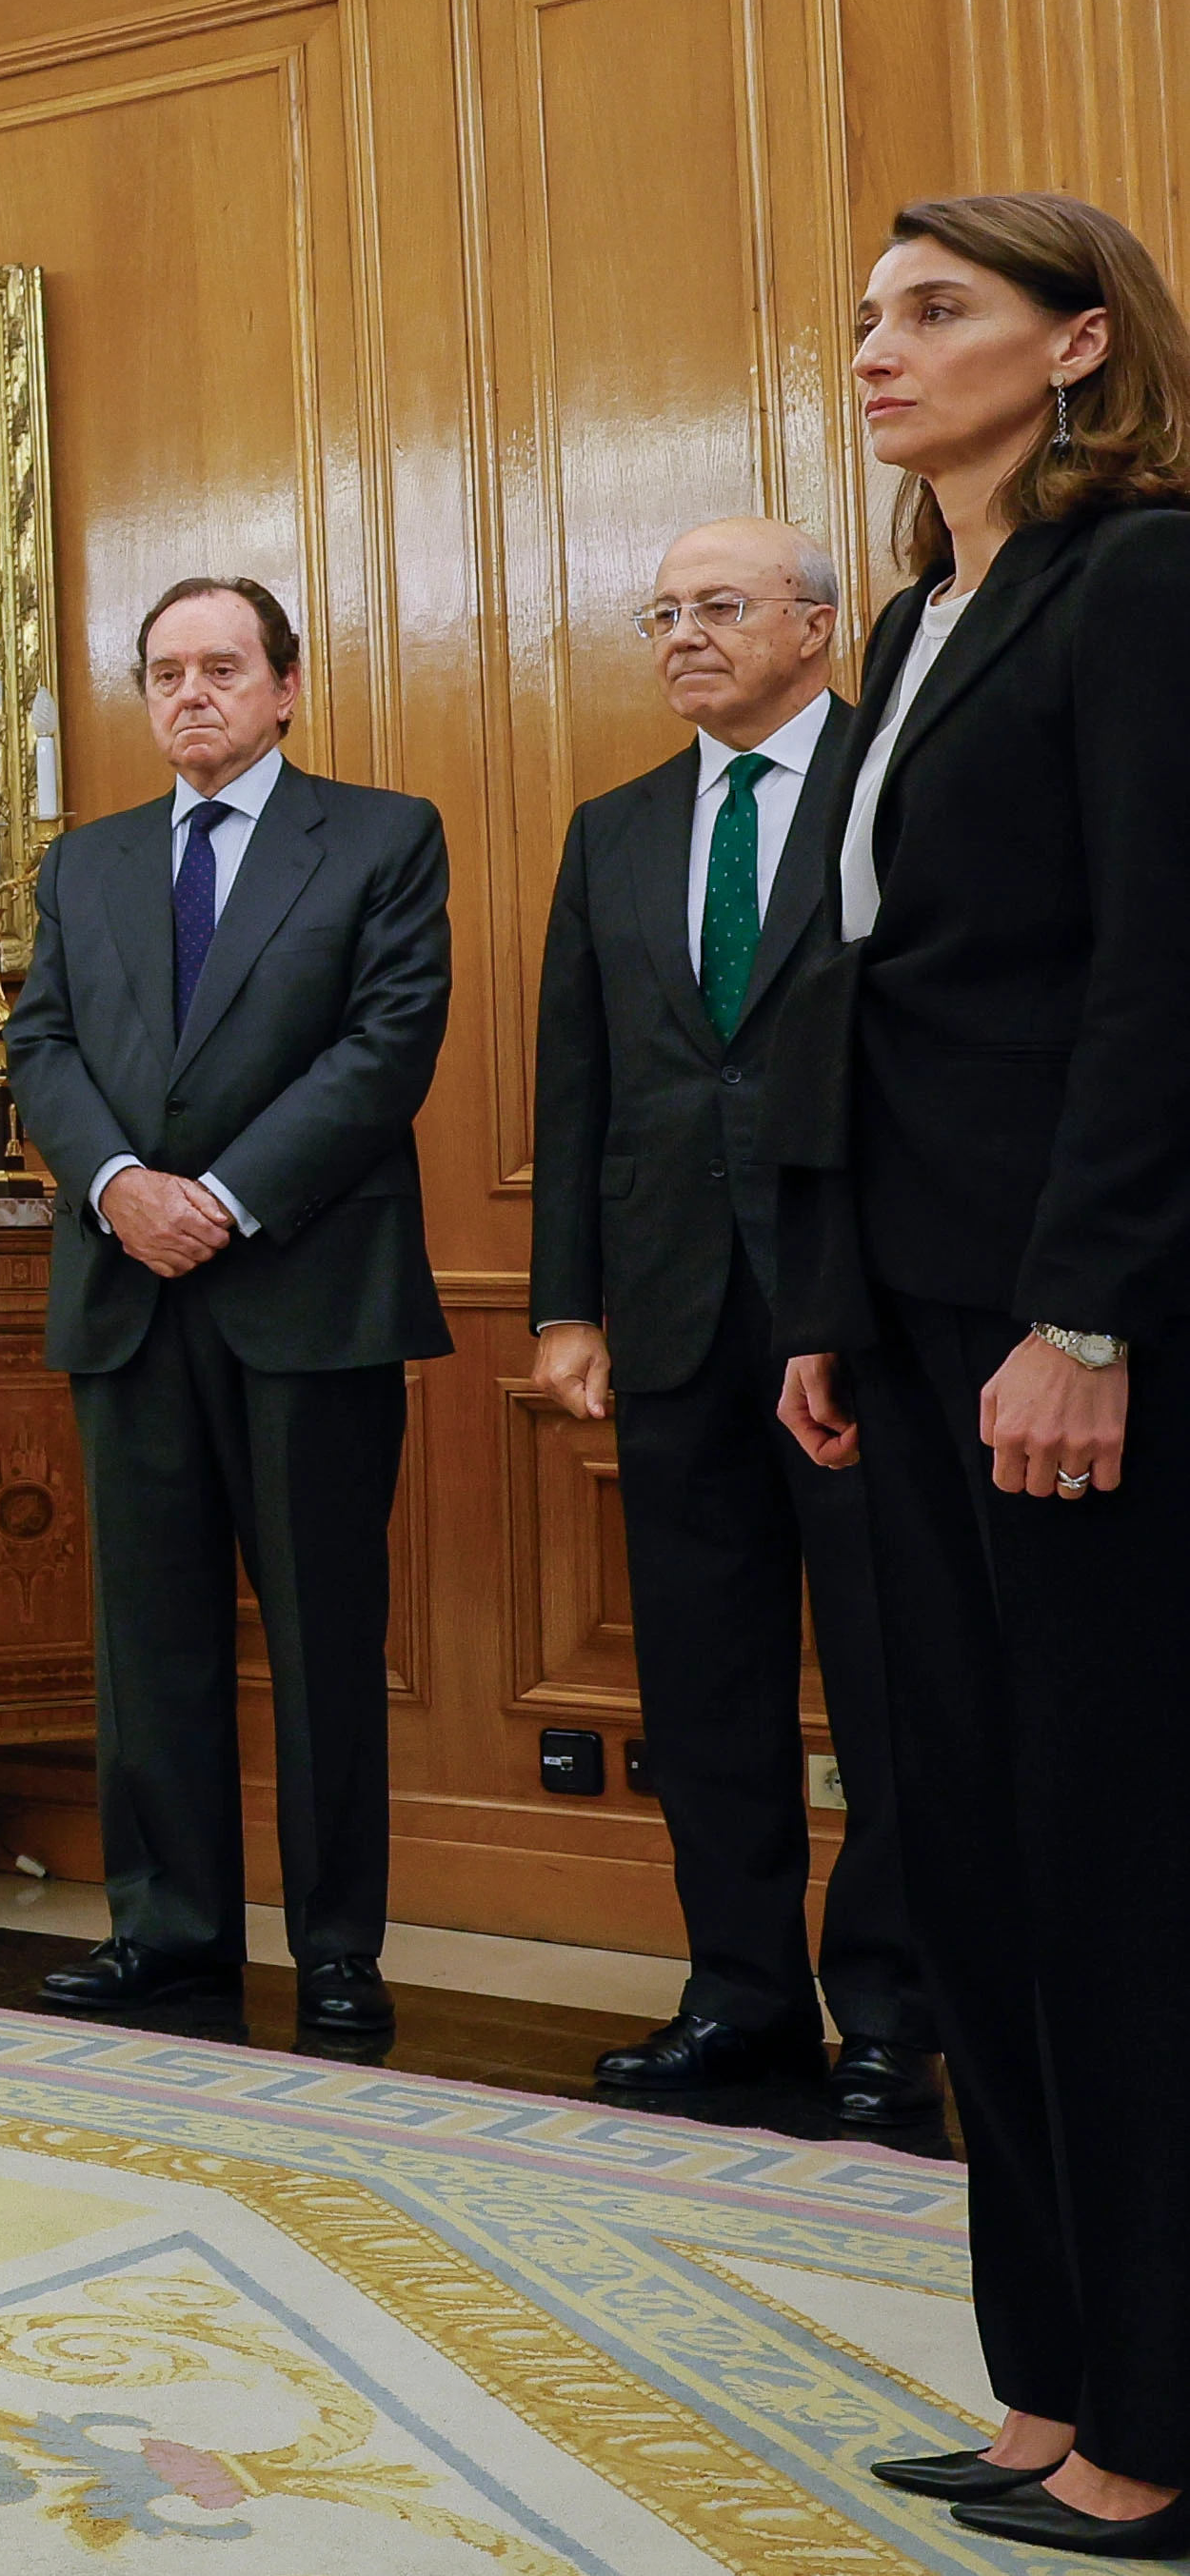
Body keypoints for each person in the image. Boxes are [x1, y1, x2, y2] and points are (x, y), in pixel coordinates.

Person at [772, 193, 1190, 2553]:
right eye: (859, 315)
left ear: (1073, 340)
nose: (874, 346)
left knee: (1108, 1861)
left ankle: (1157, 2407)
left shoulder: (1132, 580)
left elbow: (1153, 969)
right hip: (911, 1322)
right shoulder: (920, 619)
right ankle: (1041, 2378)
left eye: (930, 309)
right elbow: (863, 996)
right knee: (965, 1855)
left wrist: (1086, 1309)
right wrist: (830, 1305)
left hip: (1069, 1323)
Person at [6, 574, 451, 2038]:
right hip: (126, 1287)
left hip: (306, 1287)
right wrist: (124, 1182)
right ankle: (170, 1930)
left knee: (324, 1637)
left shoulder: (381, 837)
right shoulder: (82, 864)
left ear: (283, 687)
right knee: (150, 1639)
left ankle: (335, 1947)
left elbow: (384, 1048)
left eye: (218, 667)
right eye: (162, 672)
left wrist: (223, 1196)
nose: (188, 693)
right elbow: (43, 1046)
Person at [527, 522, 932, 2127]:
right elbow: (578, 1090)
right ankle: (740, 1999)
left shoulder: (891, 786)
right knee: (700, 1686)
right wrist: (565, 1303)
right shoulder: (609, 829)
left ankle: (893, 2014)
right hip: (673, 1320)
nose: (680, 633)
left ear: (816, 626)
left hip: (864, 1313)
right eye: (661, 612)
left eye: (716, 606)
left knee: (894, 1683)